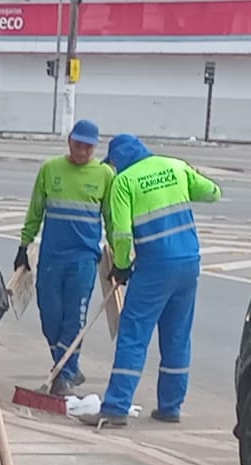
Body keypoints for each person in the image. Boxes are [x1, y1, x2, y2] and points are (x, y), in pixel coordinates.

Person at [77, 133, 221, 429]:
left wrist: (120, 266)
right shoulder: (175, 166)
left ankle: (116, 407)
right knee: (177, 335)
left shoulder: (124, 182)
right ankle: (170, 406)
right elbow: (212, 193)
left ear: (117, 161)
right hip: (189, 263)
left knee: (133, 334)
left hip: (155, 266)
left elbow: (122, 234)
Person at [14, 119, 113, 395]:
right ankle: (66, 367)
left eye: (88, 146)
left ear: (95, 147)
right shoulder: (50, 169)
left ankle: (65, 375)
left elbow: (112, 220)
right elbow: (35, 210)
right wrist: (24, 245)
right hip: (51, 257)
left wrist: (120, 259)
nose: (82, 150)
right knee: (50, 318)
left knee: (74, 319)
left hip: (82, 259)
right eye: (78, 143)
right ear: (69, 141)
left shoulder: (105, 175)